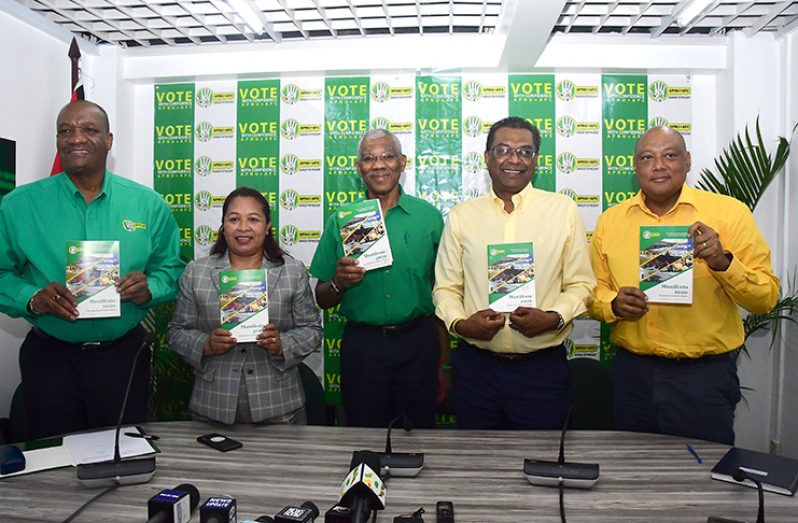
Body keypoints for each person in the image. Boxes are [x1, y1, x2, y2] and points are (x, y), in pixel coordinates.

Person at [0, 100, 184, 440]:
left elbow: (171, 269)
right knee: (53, 460)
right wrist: (31, 298)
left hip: (123, 359)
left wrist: (151, 288)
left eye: (89, 129)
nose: (75, 138)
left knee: (121, 457)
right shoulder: (18, 206)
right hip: (50, 358)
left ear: (109, 140)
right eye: (65, 131)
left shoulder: (147, 204)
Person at [589, 126, 779, 445]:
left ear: (688, 161)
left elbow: (766, 298)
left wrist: (723, 262)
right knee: (633, 471)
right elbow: (594, 294)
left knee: (704, 478)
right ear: (635, 167)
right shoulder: (611, 220)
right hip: (633, 375)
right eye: (647, 157)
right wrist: (613, 305)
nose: (658, 165)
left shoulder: (729, 213)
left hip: (703, 377)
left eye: (670, 155)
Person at [433, 116, 595, 430]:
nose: (514, 159)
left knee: (543, 462)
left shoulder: (563, 211)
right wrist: (463, 323)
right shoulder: (462, 216)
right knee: (481, 467)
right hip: (476, 369)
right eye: (503, 149)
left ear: (536, 159)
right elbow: (446, 288)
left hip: (541, 371)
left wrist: (553, 318)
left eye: (525, 151)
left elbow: (581, 284)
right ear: (487, 157)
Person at [310, 129, 447, 429]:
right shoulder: (342, 220)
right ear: (359, 168)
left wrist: (444, 363)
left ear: (402, 162)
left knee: (420, 434)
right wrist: (340, 282)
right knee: (364, 434)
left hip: (419, 343)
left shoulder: (429, 218)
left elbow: (444, 294)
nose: (379, 165)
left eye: (388, 156)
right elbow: (321, 296)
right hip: (364, 348)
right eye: (369, 158)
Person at [168, 187, 322, 425]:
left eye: (253, 219)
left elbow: (312, 330)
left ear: (268, 225)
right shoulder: (196, 272)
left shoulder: (292, 271)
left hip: (279, 407)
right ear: (223, 225)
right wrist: (206, 345)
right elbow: (176, 332)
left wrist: (283, 344)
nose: (242, 228)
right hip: (213, 406)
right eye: (233, 219)